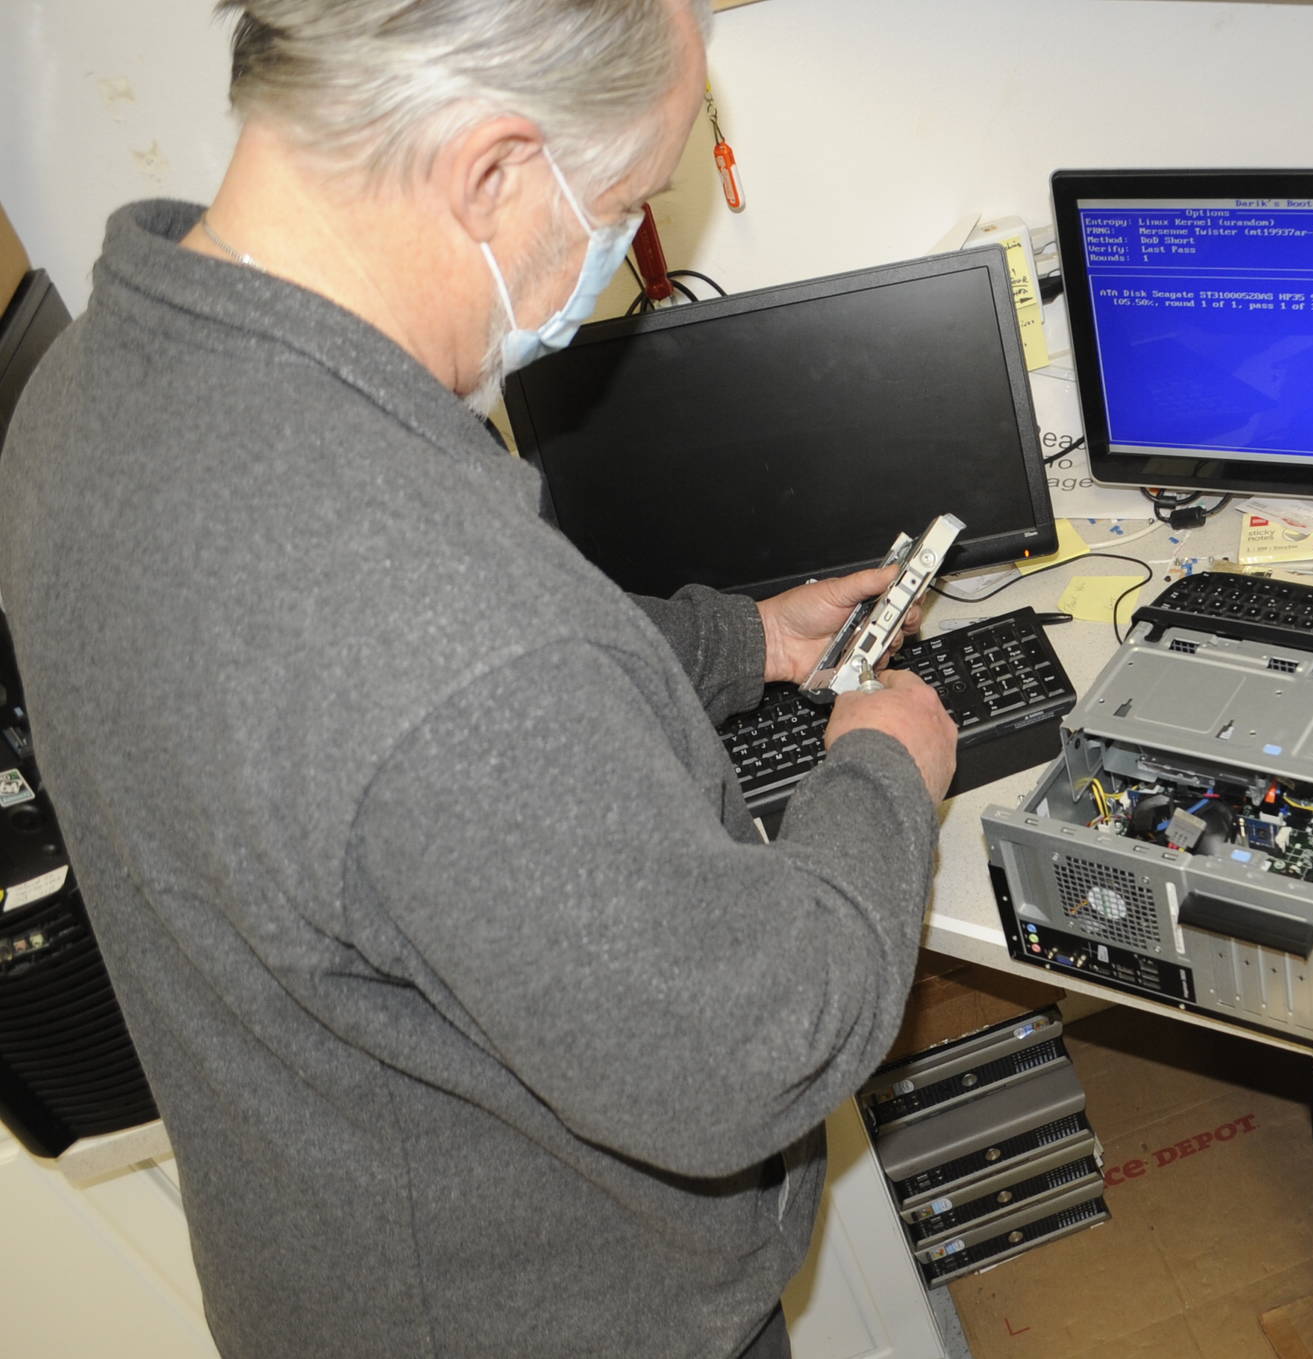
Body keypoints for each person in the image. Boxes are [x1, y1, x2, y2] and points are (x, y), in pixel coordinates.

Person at [0, 1, 958, 1355]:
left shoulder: (97, 378)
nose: (625, 261)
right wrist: (883, 771)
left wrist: (749, 643)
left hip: (340, 1266)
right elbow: (761, 1044)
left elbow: (379, 725)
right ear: (494, 168)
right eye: (626, 202)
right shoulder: (438, 629)